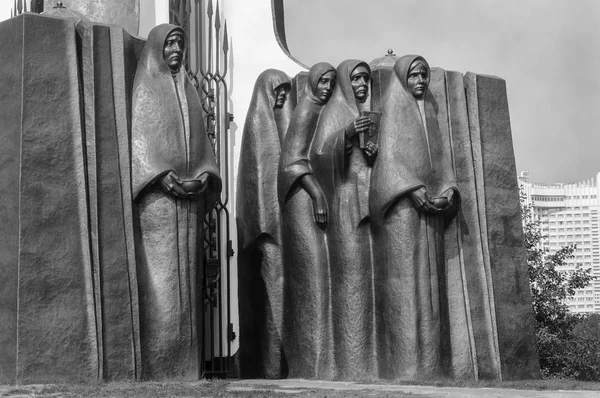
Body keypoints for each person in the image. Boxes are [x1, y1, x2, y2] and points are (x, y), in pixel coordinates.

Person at [131, 24, 221, 381]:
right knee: (163, 285)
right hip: (159, 205)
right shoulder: (146, 87)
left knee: (188, 284)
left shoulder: (189, 90)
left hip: (189, 203)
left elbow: (204, 147)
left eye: (181, 43)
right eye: (170, 43)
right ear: (157, 48)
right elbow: (140, 142)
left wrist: (204, 175)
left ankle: (189, 366)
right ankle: (161, 365)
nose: (177, 49)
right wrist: (161, 176)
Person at [369, 55, 459, 380]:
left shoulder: (430, 113)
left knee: (432, 287)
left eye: (424, 76)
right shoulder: (392, 109)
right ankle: (406, 365)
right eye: (415, 76)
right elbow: (388, 160)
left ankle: (434, 365)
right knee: (407, 286)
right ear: (403, 79)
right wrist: (412, 190)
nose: (420, 81)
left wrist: (448, 189)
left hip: (432, 210)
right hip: (403, 212)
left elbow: (442, 159)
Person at [311, 59, 378, 380]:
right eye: (356, 79)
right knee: (351, 279)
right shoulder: (335, 111)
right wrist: (347, 134)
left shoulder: (364, 115)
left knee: (368, 278)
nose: (362, 84)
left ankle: (369, 359)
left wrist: (371, 150)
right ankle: (351, 360)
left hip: (367, 205)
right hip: (346, 204)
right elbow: (320, 155)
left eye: (366, 78)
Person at [277, 62, 336, 380]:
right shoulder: (306, 110)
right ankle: (311, 362)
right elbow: (292, 161)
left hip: (310, 195)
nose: (326, 86)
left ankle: (321, 360)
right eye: (322, 81)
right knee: (312, 275)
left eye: (331, 82)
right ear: (312, 82)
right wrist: (316, 195)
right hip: (301, 198)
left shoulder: (321, 109)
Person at [236, 69, 294, 378]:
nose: (282, 94)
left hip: (280, 224)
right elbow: (254, 178)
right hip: (267, 228)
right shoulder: (259, 123)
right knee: (273, 293)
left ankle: (278, 364)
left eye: (285, 89)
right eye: (278, 89)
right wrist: (264, 226)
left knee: (282, 294)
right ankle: (270, 367)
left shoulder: (280, 125)